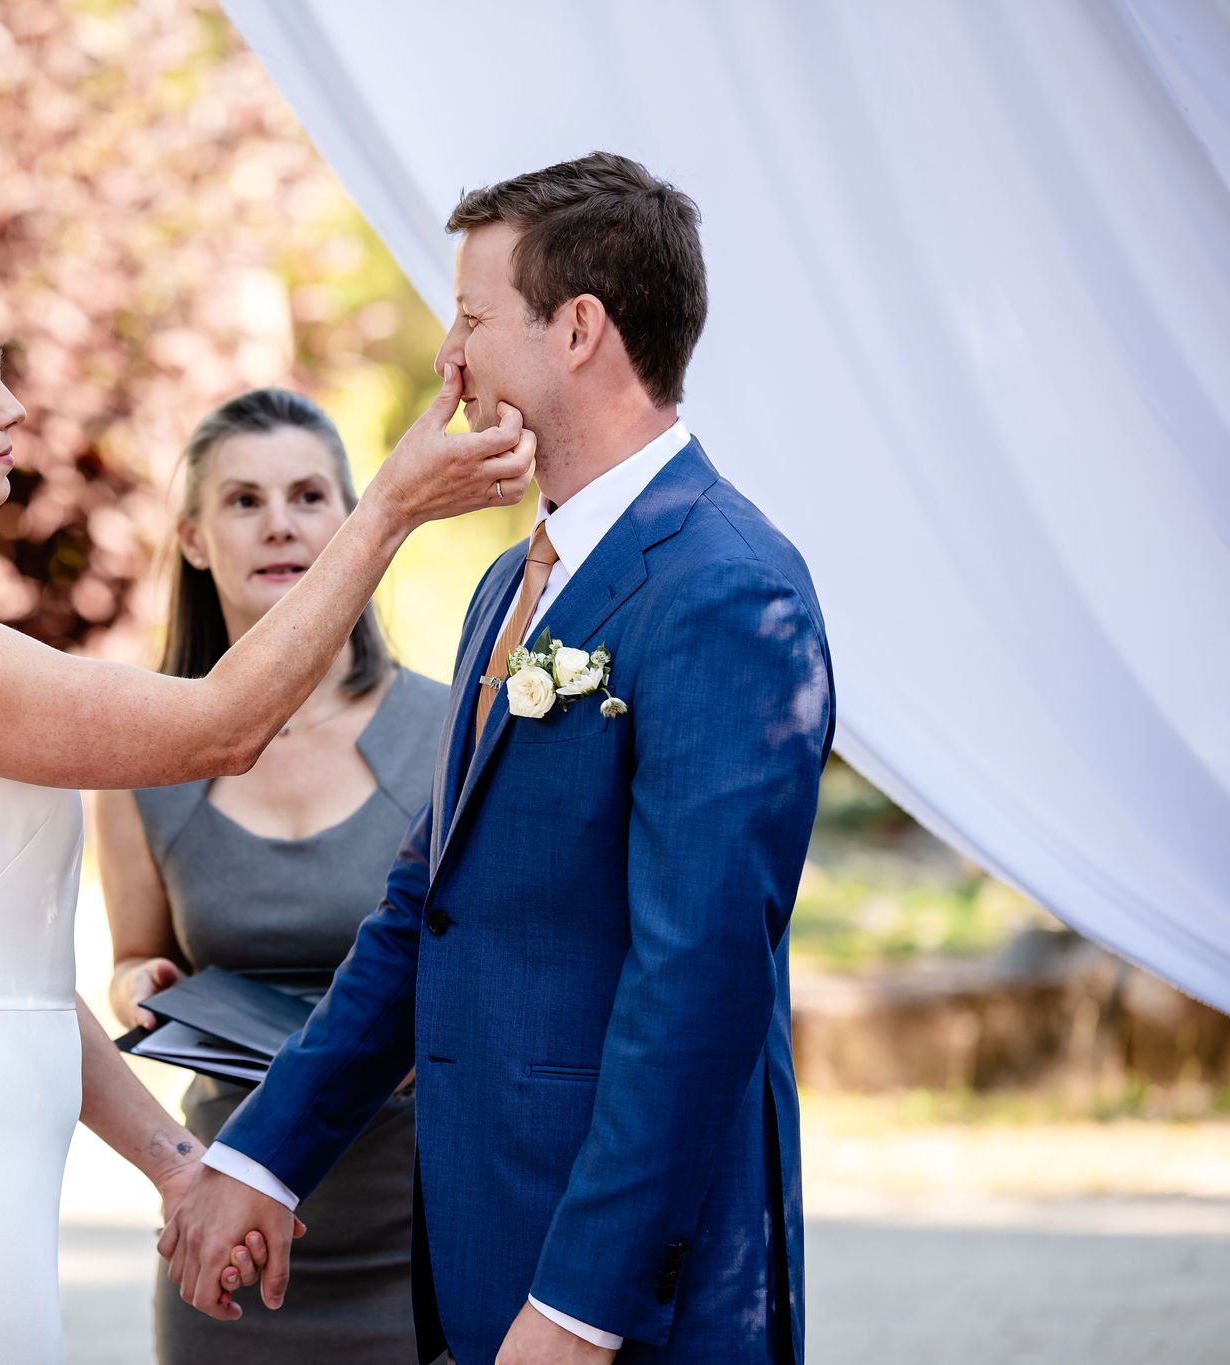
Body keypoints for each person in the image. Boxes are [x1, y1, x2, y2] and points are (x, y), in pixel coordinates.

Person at [0, 233, 533, 1365]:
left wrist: (181, 1166)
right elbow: (220, 726)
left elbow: (15, 978)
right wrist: (381, 510)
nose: (12, 409)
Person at [162, 153, 835, 1365]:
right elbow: (430, 909)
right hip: (481, 1252)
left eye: (469, 318)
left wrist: (583, 1308)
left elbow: (697, 984)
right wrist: (262, 1155)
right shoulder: (499, 588)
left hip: (626, 1297)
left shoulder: (725, 589)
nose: (447, 359)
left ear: (576, 329)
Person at [100, 388, 446, 1362]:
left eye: (308, 495)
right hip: (228, 1223)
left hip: (418, 1229)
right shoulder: (141, 755)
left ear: (351, 522)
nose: (280, 523)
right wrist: (141, 988)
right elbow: (132, 957)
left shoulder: (450, 729)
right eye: (243, 501)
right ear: (194, 539)